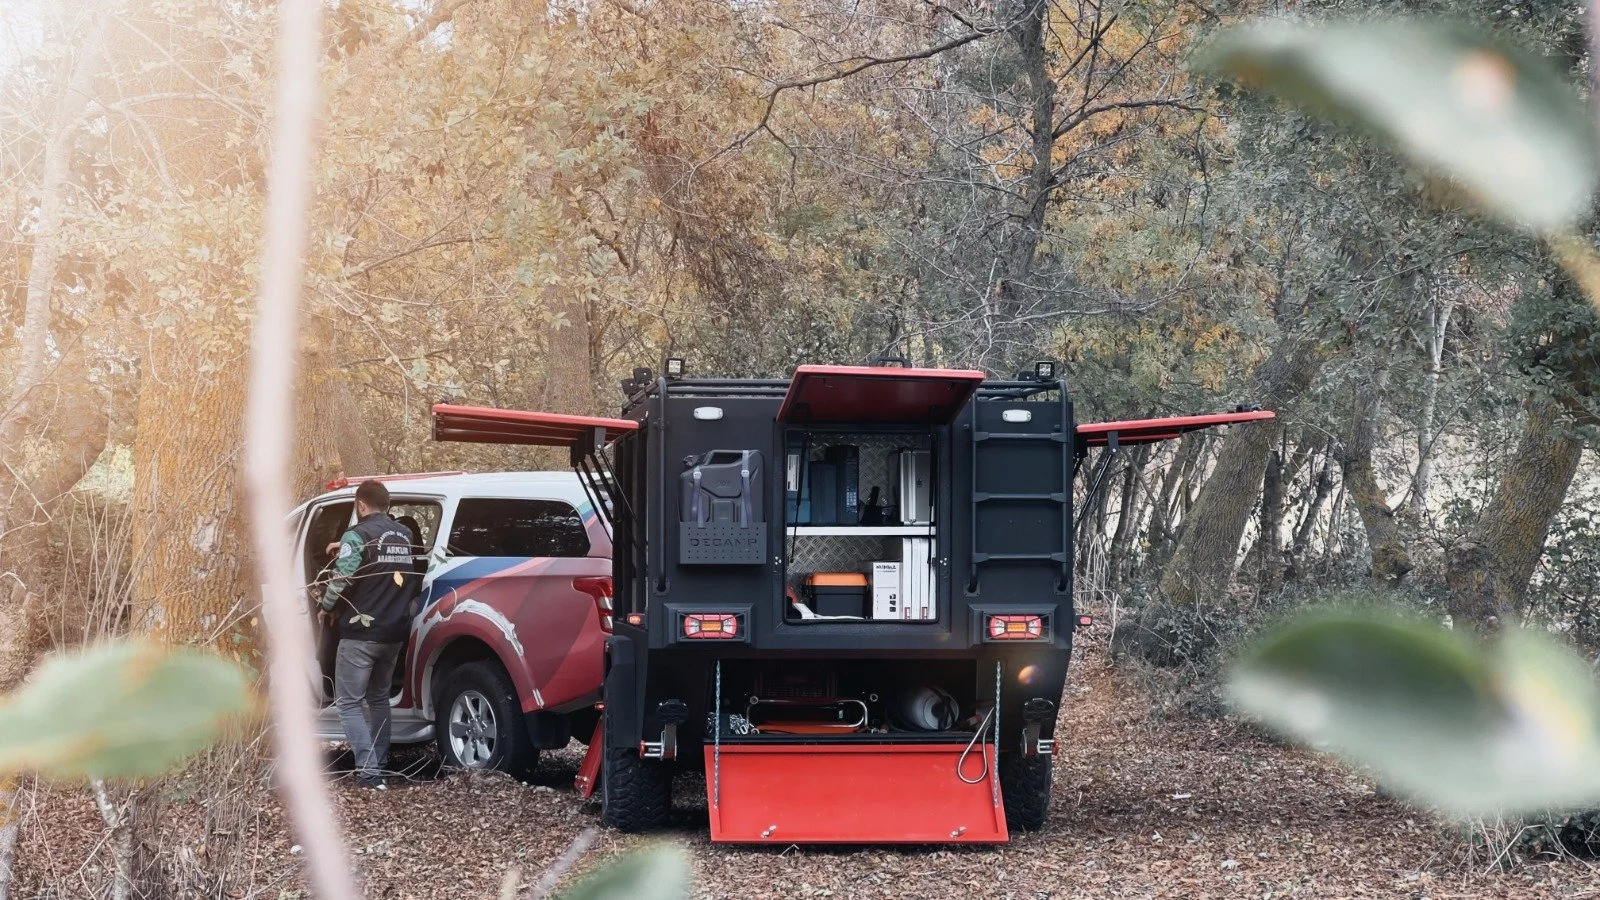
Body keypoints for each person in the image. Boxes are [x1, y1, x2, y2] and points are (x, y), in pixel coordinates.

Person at [320, 480, 418, 790]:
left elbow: (342, 577)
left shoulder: (358, 534)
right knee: (378, 700)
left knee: (348, 703)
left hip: (361, 634)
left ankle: (368, 772)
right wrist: (343, 545)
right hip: (395, 632)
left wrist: (325, 606)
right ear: (386, 505)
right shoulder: (405, 535)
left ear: (360, 506)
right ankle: (381, 765)